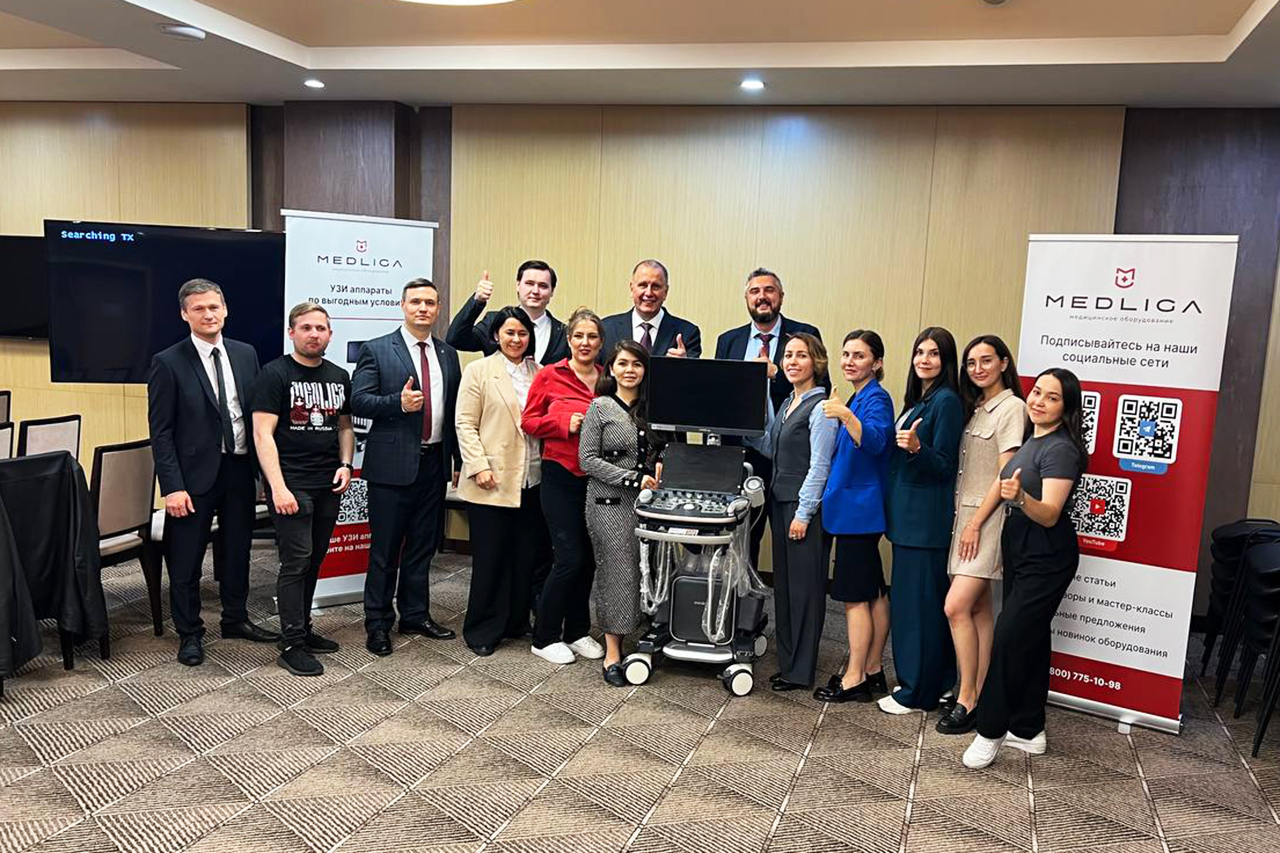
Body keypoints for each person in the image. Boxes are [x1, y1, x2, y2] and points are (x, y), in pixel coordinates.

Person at [147, 278, 279, 666]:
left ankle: (235, 619)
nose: (208, 314)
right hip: (192, 479)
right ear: (184, 314)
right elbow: (161, 432)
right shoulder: (167, 362)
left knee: (238, 551)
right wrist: (172, 487)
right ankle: (190, 633)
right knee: (186, 560)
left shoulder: (245, 353)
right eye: (199, 308)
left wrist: (261, 472)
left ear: (225, 310)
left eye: (214, 307)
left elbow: (254, 416)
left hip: (239, 469)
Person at [962, 368, 1087, 769]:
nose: (1039, 401)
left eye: (1052, 397)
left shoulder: (1062, 449)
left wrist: (1019, 499)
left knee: (1009, 637)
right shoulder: (1034, 438)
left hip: (1047, 554)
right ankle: (1029, 729)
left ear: (1066, 407)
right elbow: (1005, 488)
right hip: (1021, 548)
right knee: (1031, 638)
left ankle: (990, 730)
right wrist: (981, 523)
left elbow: (1049, 513)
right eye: (1037, 392)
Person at [352, 279, 461, 657]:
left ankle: (415, 614)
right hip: (391, 468)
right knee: (385, 551)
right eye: (416, 302)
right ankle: (378, 622)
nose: (423, 308)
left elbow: (453, 412)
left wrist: (456, 460)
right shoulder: (378, 349)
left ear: (438, 308)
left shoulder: (448, 354)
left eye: (430, 302)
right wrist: (396, 404)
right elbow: (358, 400)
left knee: (422, 548)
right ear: (402, 306)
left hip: (434, 464)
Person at [250, 302, 354, 677]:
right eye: (306, 328)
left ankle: (304, 629)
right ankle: (291, 642)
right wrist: (277, 487)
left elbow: (345, 426)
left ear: (330, 334)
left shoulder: (339, 375)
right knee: (296, 561)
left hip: (328, 482)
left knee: (314, 559)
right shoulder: (274, 374)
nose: (314, 334)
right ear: (291, 332)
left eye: (320, 328)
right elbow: (262, 434)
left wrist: (346, 464)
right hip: (291, 484)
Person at [938, 335, 1026, 734]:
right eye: (971, 363)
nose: (978, 369)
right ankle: (985, 693)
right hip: (966, 520)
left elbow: (1006, 476)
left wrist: (976, 524)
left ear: (1004, 363)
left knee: (955, 607)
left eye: (986, 361)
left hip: (986, 522)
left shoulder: (1012, 408)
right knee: (978, 610)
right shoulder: (976, 409)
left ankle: (968, 696)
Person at [879, 326, 963, 715]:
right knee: (924, 608)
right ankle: (939, 683)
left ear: (946, 361)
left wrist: (916, 449)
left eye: (933, 353)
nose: (924, 360)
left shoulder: (946, 401)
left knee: (916, 612)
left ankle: (915, 693)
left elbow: (945, 465)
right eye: (919, 352)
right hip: (909, 521)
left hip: (924, 525)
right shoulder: (920, 400)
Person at [714, 268, 821, 569]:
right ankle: (742, 595)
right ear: (746, 299)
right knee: (744, 536)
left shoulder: (805, 334)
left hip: (789, 454)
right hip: (744, 454)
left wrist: (777, 374)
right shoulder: (729, 341)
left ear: (781, 297)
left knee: (790, 533)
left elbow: (819, 386)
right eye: (755, 291)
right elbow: (720, 394)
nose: (762, 297)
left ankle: (790, 595)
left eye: (769, 290)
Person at [455, 307, 544, 656]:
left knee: (524, 557)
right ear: (496, 335)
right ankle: (482, 629)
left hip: (531, 478)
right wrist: (477, 465)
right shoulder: (479, 370)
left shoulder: (540, 372)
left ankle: (515, 621)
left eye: (522, 333)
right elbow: (464, 423)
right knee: (491, 558)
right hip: (491, 478)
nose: (516, 339)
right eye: (509, 332)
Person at [813, 330, 895, 703]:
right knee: (873, 591)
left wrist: (845, 414)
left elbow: (876, 442)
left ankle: (854, 676)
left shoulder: (876, 398)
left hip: (858, 513)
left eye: (859, 355)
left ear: (876, 363)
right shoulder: (860, 396)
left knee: (854, 598)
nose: (849, 361)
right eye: (846, 354)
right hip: (855, 511)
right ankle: (873, 669)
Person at [523, 309, 606, 665]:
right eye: (579, 336)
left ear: (600, 343)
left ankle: (576, 631)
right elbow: (529, 421)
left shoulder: (607, 378)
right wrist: (562, 424)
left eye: (592, 337)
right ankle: (544, 637)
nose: (585, 343)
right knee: (569, 558)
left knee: (587, 560)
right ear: (569, 340)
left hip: (597, 479)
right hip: (560, 476)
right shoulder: (549, 375)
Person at [580, 341, 662, 685]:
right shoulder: (600, 407)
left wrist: (660, 467)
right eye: (623, 363)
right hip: (609, 504)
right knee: (618, 572)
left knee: (648, 571)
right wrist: (632, 478)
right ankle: (613, 652)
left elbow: (664, 449)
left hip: (649, 504)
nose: (630, 370)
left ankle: (642, 635)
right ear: (611, 369)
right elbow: (587, 460)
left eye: (637, 364)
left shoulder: (653, 408)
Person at [763, 333, 838, 692]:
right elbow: (769, 445)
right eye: (788, 355)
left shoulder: (821, 409)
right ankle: (789, 663)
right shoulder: (788, 403)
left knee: (805, 591)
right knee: (785, 588)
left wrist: (804, 513)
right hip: (780, 501)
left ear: (816, 362)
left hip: (802, 508)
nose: (792, 361)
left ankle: (800, 670)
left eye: (801, 355)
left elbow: (820, 466)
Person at [446, 260, 569, 365]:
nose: (535, 291)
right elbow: (455, 340)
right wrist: (477, 302)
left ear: (552, 291)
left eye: (543, 286)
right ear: (518, 285)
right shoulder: (494, 321)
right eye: (529, 284)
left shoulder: (564, 333)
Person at [600, 260, 702, 359]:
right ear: (632, 289)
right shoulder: (606, 329)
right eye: (643, 285)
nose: (648, 293)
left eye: (656, 286)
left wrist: (684, 364)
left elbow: (695, 371)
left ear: (665, 292)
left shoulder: (687, 333)